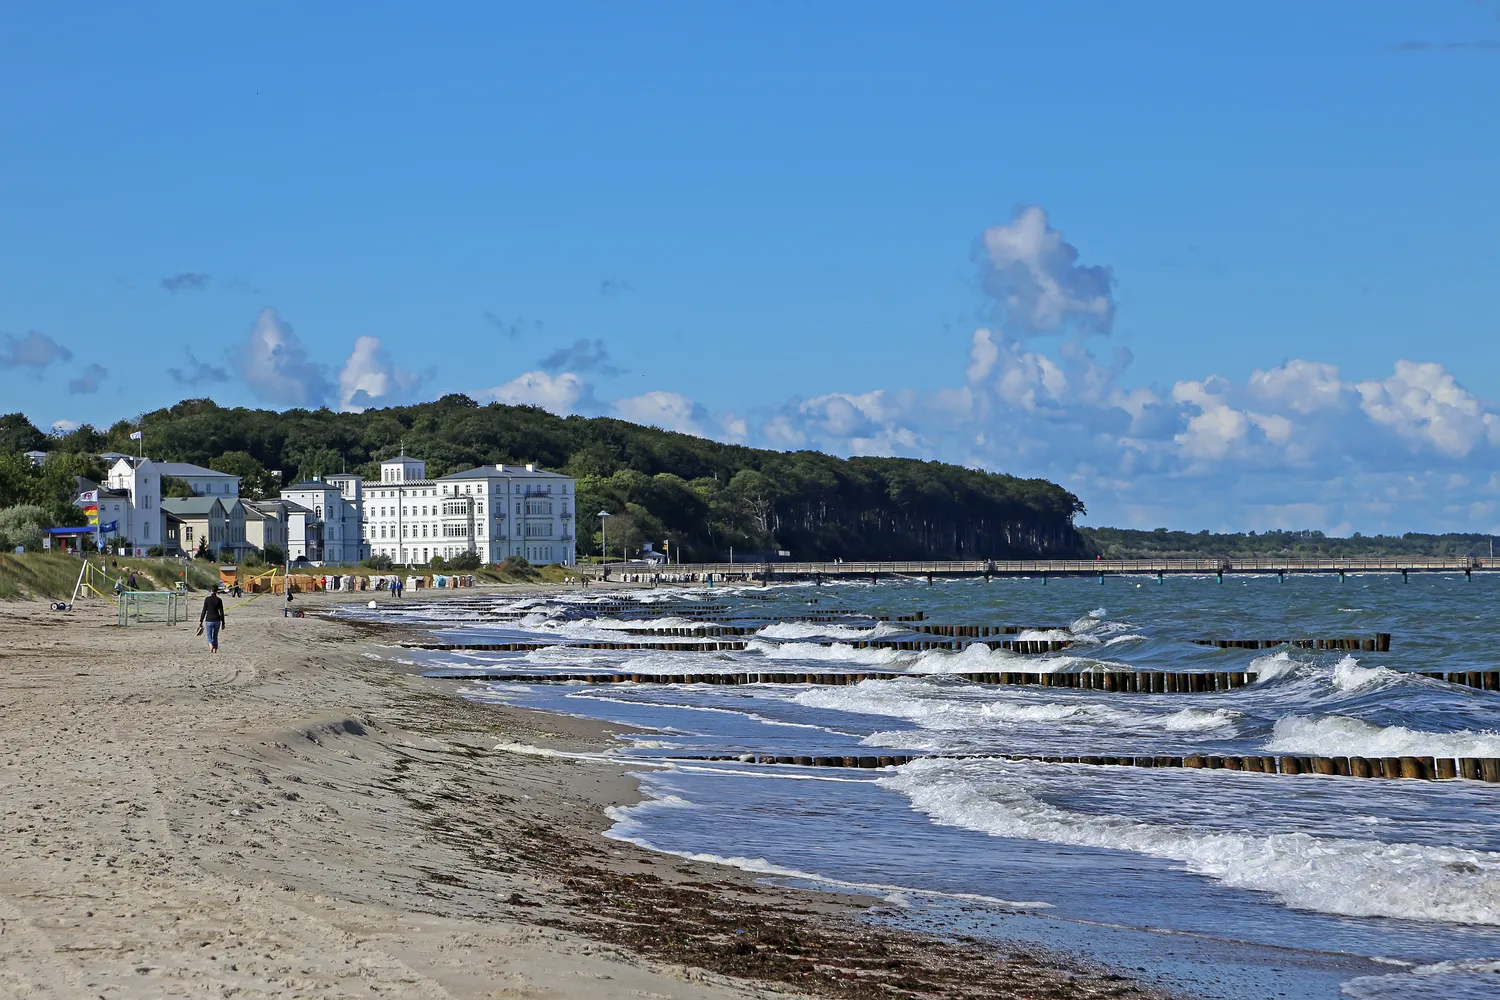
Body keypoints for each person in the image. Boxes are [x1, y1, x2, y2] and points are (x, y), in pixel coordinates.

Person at [199, 586, 226, 654]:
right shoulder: (219, 600)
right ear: (217, 591)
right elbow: (221, 612)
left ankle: (210, 644)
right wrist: (223, 623)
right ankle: (214, 649)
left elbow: (204, 610)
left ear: (211, 590)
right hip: (217, 620)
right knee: (215, 636)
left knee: (209, 635)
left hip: (209, 619)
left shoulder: (207, 599)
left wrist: (201, 620)